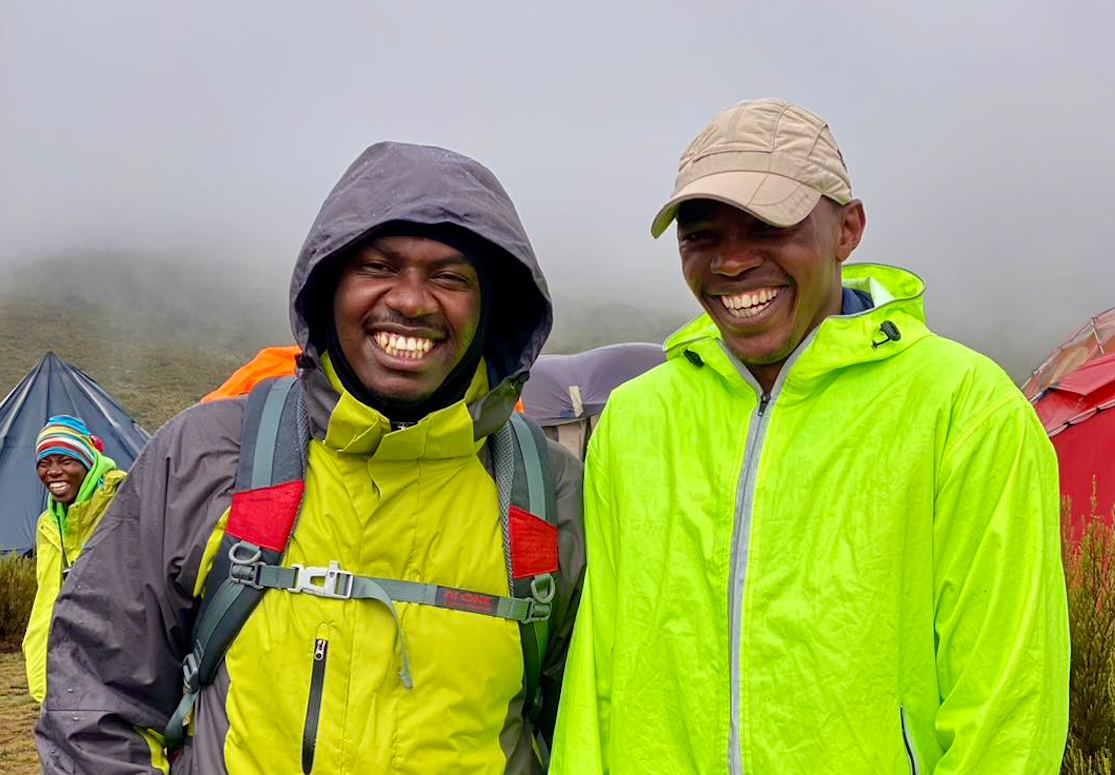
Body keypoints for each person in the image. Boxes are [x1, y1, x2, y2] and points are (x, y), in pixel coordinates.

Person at [551, 98, 1069, 774]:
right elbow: (595, 678)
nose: (731, 262)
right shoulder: (635, 419)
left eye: (768, 225)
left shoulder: (964, 409)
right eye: (700, 234)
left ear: (846, 228)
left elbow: (1009, 703)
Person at [37, 142, 585, 774]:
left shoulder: (550, 491)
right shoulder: (209, 452)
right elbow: (96, 698)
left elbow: (589, 722)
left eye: (450, 276)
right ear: (329, 288)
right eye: (378, 266)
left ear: (492, 312)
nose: (410, 301)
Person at [21, 414, 124, 703]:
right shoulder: (48, 524)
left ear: (88, 462)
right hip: (57, 671)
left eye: (66, 460)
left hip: (114, 671)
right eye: (44, 463)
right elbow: (47, 596)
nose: (53, 471)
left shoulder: (124, 502)